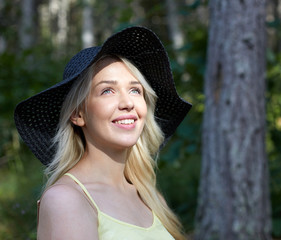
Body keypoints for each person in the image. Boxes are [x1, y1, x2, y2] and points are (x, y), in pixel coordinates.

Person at [14, 26, 191, 240]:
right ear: (78, 114)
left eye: (135, 90)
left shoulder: (151, 199)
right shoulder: (67, 200)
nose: (128, 103)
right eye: (108, 90)